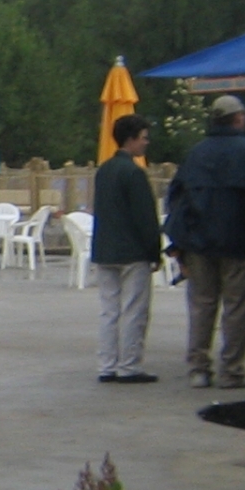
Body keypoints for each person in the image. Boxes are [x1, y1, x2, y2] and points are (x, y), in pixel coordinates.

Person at [164, 95, 245, 390]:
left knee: (202, 304)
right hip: (239, 238)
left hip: (198, 241)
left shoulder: (196, 152)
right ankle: (231, 370)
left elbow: (176, 194)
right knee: (239, 307)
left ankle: (198, 369)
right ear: (238, 118)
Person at [91, 114, 161, 383]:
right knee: (134, 310)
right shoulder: (134, 173)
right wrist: (154, 251)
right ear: (130, 139)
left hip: (105, 248)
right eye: (143, 138)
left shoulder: (104, 171)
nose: (146, 142)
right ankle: (129, 365)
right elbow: (146, 217)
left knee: (109, 310)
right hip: (132, 251)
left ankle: (106, 365)